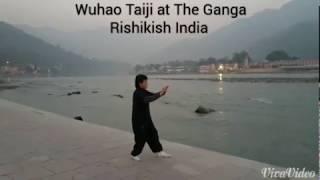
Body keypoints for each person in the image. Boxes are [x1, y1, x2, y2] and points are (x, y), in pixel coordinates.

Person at [131, 74, 171, 161]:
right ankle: (134, 154)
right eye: (145, 82)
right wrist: (159, 94)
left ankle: (159, 151)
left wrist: (161, 93)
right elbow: (147, 99)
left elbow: (152, 95)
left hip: (147, 119)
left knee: (153, 134)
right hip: (139, 121)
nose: (147, 83)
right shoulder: (137, 93)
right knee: (140, 138)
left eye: (147, 81)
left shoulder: (144, 91)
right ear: (140, 83)